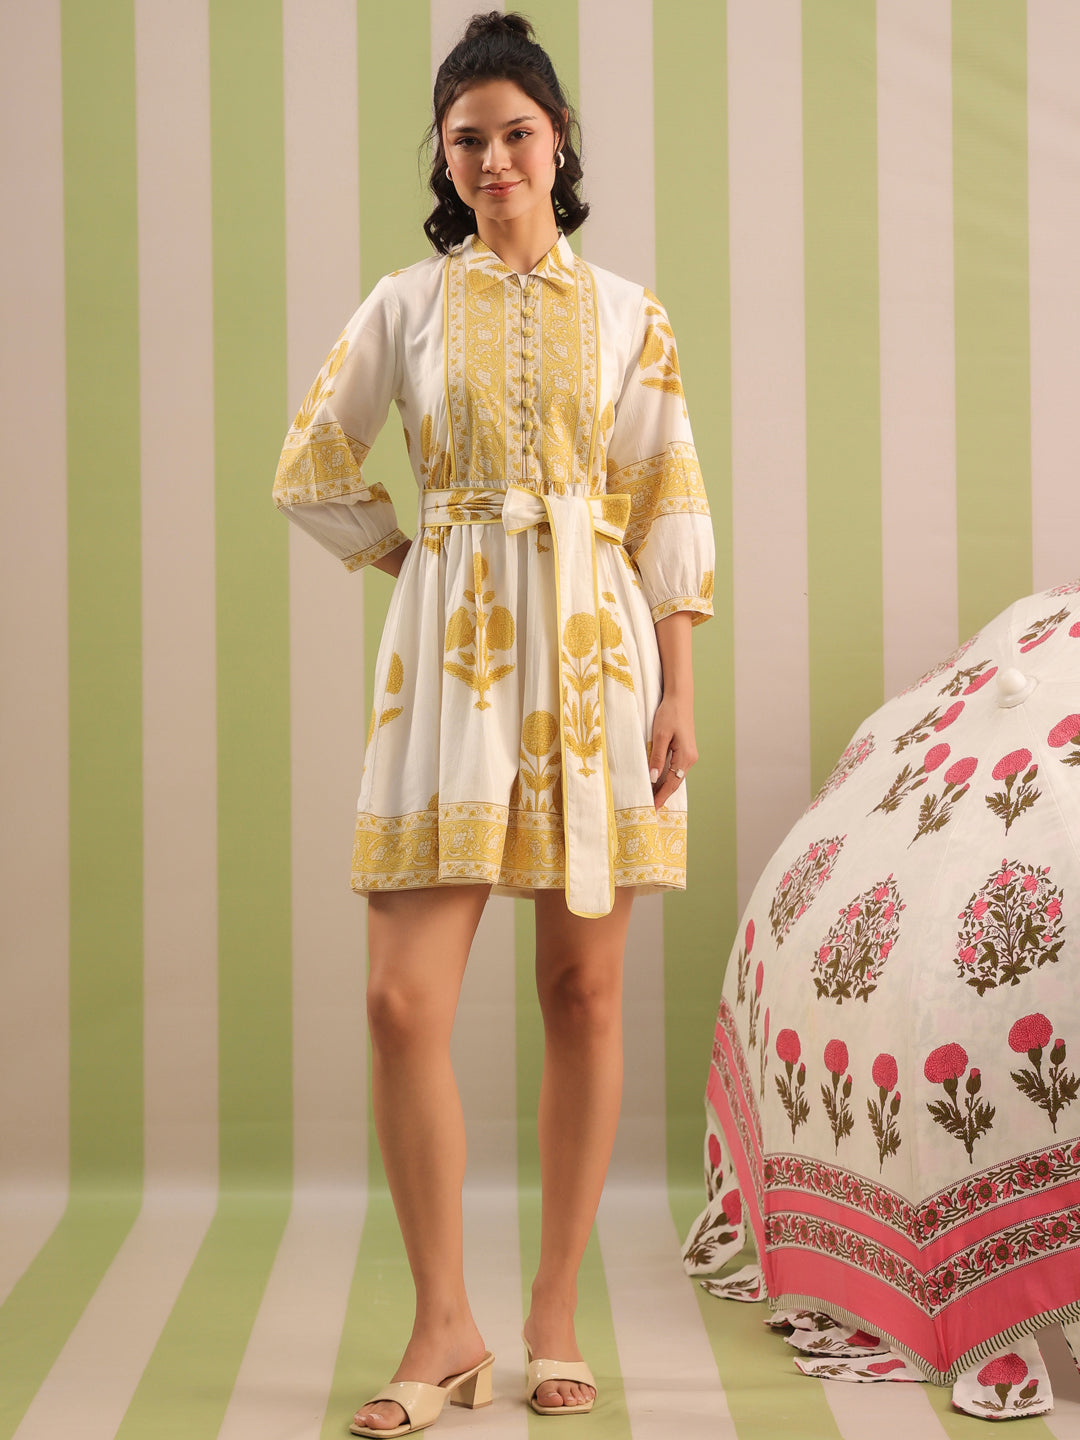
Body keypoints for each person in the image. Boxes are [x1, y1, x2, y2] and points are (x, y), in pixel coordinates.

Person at [272, 12, 715, 1434]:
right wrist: (414, 556)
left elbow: (665, 495)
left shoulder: (630, 312)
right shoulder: (405, 305)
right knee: (400, 1002)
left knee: (583, 996)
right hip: (453, 669)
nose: (495, 160)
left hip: (598, 658)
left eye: (518, 133)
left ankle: (552, 1315)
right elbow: (311, 462)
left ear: (559, 141)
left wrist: (679, 688)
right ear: (447, 158)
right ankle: (443, 1323)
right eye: (468, 140)